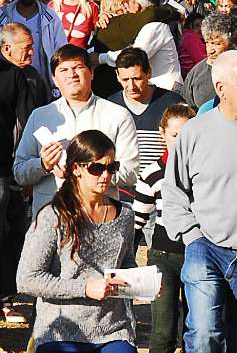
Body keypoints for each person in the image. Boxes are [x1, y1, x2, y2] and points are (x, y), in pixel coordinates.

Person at [162, 50, 237, 353]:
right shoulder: (195, 131)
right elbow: (174, 191)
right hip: (205, 248)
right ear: (221, 89)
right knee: (204, 335)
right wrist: (191, 237)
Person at [16, 130, 137, 353]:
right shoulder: (53, 216)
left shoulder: (125, 215)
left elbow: (127, 263)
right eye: (97, 168)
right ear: (76, 169)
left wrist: (141, 283)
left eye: (112, 167)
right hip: (61, 328)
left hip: (113, 329)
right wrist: (85, 288)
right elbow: (27, 279)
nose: (105, 175)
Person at [14, 44, 139, 218]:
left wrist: (91, 171)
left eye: (78, 67)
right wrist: (43, 165)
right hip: (51, 217)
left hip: (99, 217)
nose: (71, 75)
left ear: (92, 72)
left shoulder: (117, 115)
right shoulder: (40, 116)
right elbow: (19, 172)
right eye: (63, 70)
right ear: (54, 79)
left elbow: (130, 172)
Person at [133, 103, 196, 353]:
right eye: (175, 135)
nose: (181, 141)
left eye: (187, 134)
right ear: (162, 134)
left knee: (196, 326)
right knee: (162, 328)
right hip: (163, 255)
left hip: (196, 251)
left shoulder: (202, 170)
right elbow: (139, 218)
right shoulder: (152, 172)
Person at [108, 47, 183, 187]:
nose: (131, 86)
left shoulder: (172, 102)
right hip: (123, 190)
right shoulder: (109, 106)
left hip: (163, 188)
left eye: (137, 79)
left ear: (149, 73)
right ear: (117, 76)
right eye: (125, 79)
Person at [96, 0, 183, 91]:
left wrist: (100, 58)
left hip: (167, 90)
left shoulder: (155, 26)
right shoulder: (148, 24)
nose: (127, 7)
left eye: (130, 1)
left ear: (137, 6)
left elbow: (134, 56)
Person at [0, 44, 32, 324]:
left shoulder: (13, 75)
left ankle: (5, 299)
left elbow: (27, 120)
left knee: (4, 233)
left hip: (1, 167)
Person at [0, 0, 67, 85]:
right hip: (8, 84)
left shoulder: (50, 18)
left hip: (41, 85)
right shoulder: (3, 16)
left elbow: (61, 52)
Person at [174, 12, 231, 110]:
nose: (211, 50)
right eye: (208, 43)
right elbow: (187, 108)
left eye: (217, 44)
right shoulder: (196, 73)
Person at [0, 23, 54, 106]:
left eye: (31, 46)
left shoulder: (32, 74)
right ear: (7, 48)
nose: (31, 52)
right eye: (26, 48)